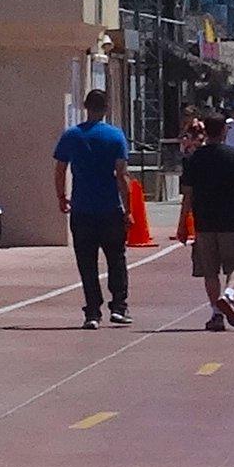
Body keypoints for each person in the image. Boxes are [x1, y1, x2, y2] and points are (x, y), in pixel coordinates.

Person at [53, 88, 136, 324]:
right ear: (106, 108)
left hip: (82, 208)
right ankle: (119, 306)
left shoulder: (72, 135)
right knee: (116, 258)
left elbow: (60, 169)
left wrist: (61, 196)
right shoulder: (115, 136)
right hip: (110, 207)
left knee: (87, 261)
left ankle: (92, 311)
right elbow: (122, 175)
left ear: (85, 107)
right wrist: (128, 209)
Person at [180, 108, 234, 328]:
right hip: (232, 220)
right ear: (224, 131)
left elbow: (188, 194)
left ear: (205, 131)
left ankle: (216, 313)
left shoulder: (194, 158)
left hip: (204, 222)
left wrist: (182, 225)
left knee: (210, 270)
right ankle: (229, 294)